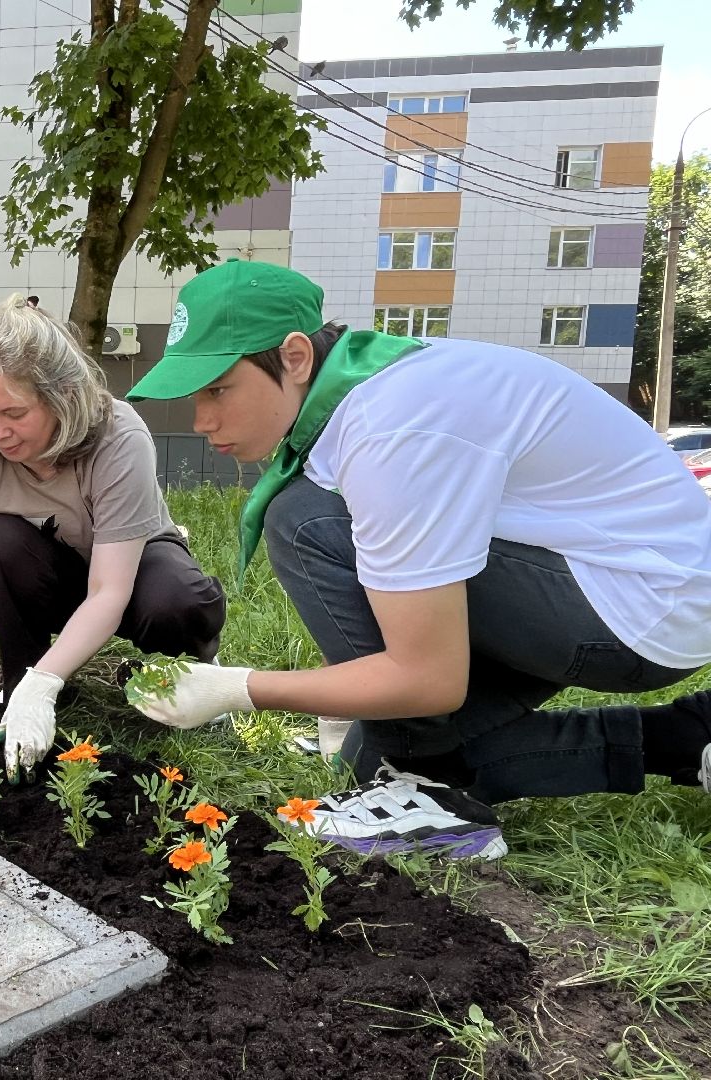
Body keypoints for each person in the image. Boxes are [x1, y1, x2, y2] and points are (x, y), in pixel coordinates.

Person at [124, 259, 711, 860]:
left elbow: (427, 680)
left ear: (296, 358)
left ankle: (423, 786)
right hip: (608, 582)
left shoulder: (391, 428)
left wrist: (237, 688)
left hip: (640, 605)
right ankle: (682, 738)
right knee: (366, 758)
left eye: (218, 389)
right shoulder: (371, 390)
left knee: (303, 522)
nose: (201, 421)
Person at [0, 295, 226, 776]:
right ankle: (24, 682)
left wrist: (45, 683)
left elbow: (109, 590)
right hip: (53, 574)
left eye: (14, 413)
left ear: (62, 395)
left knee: (176, 602)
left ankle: (197, 678)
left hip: (130, 570)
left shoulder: (117, 437)